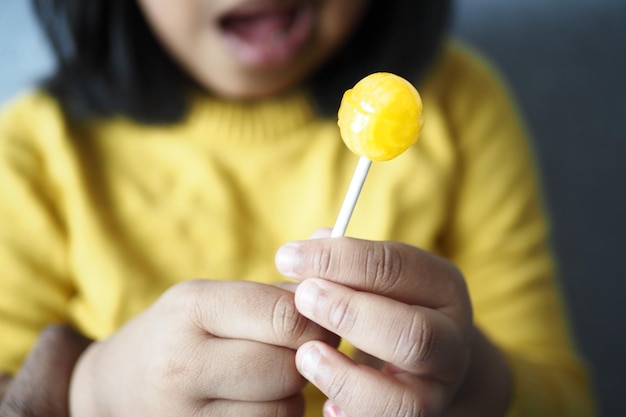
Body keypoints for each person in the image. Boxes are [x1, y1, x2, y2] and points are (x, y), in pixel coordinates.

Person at [0, 0, 596, 416]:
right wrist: (93, 394)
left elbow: (568, 402)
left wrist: (471, 386)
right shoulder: (36, 153)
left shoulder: (461, 108)